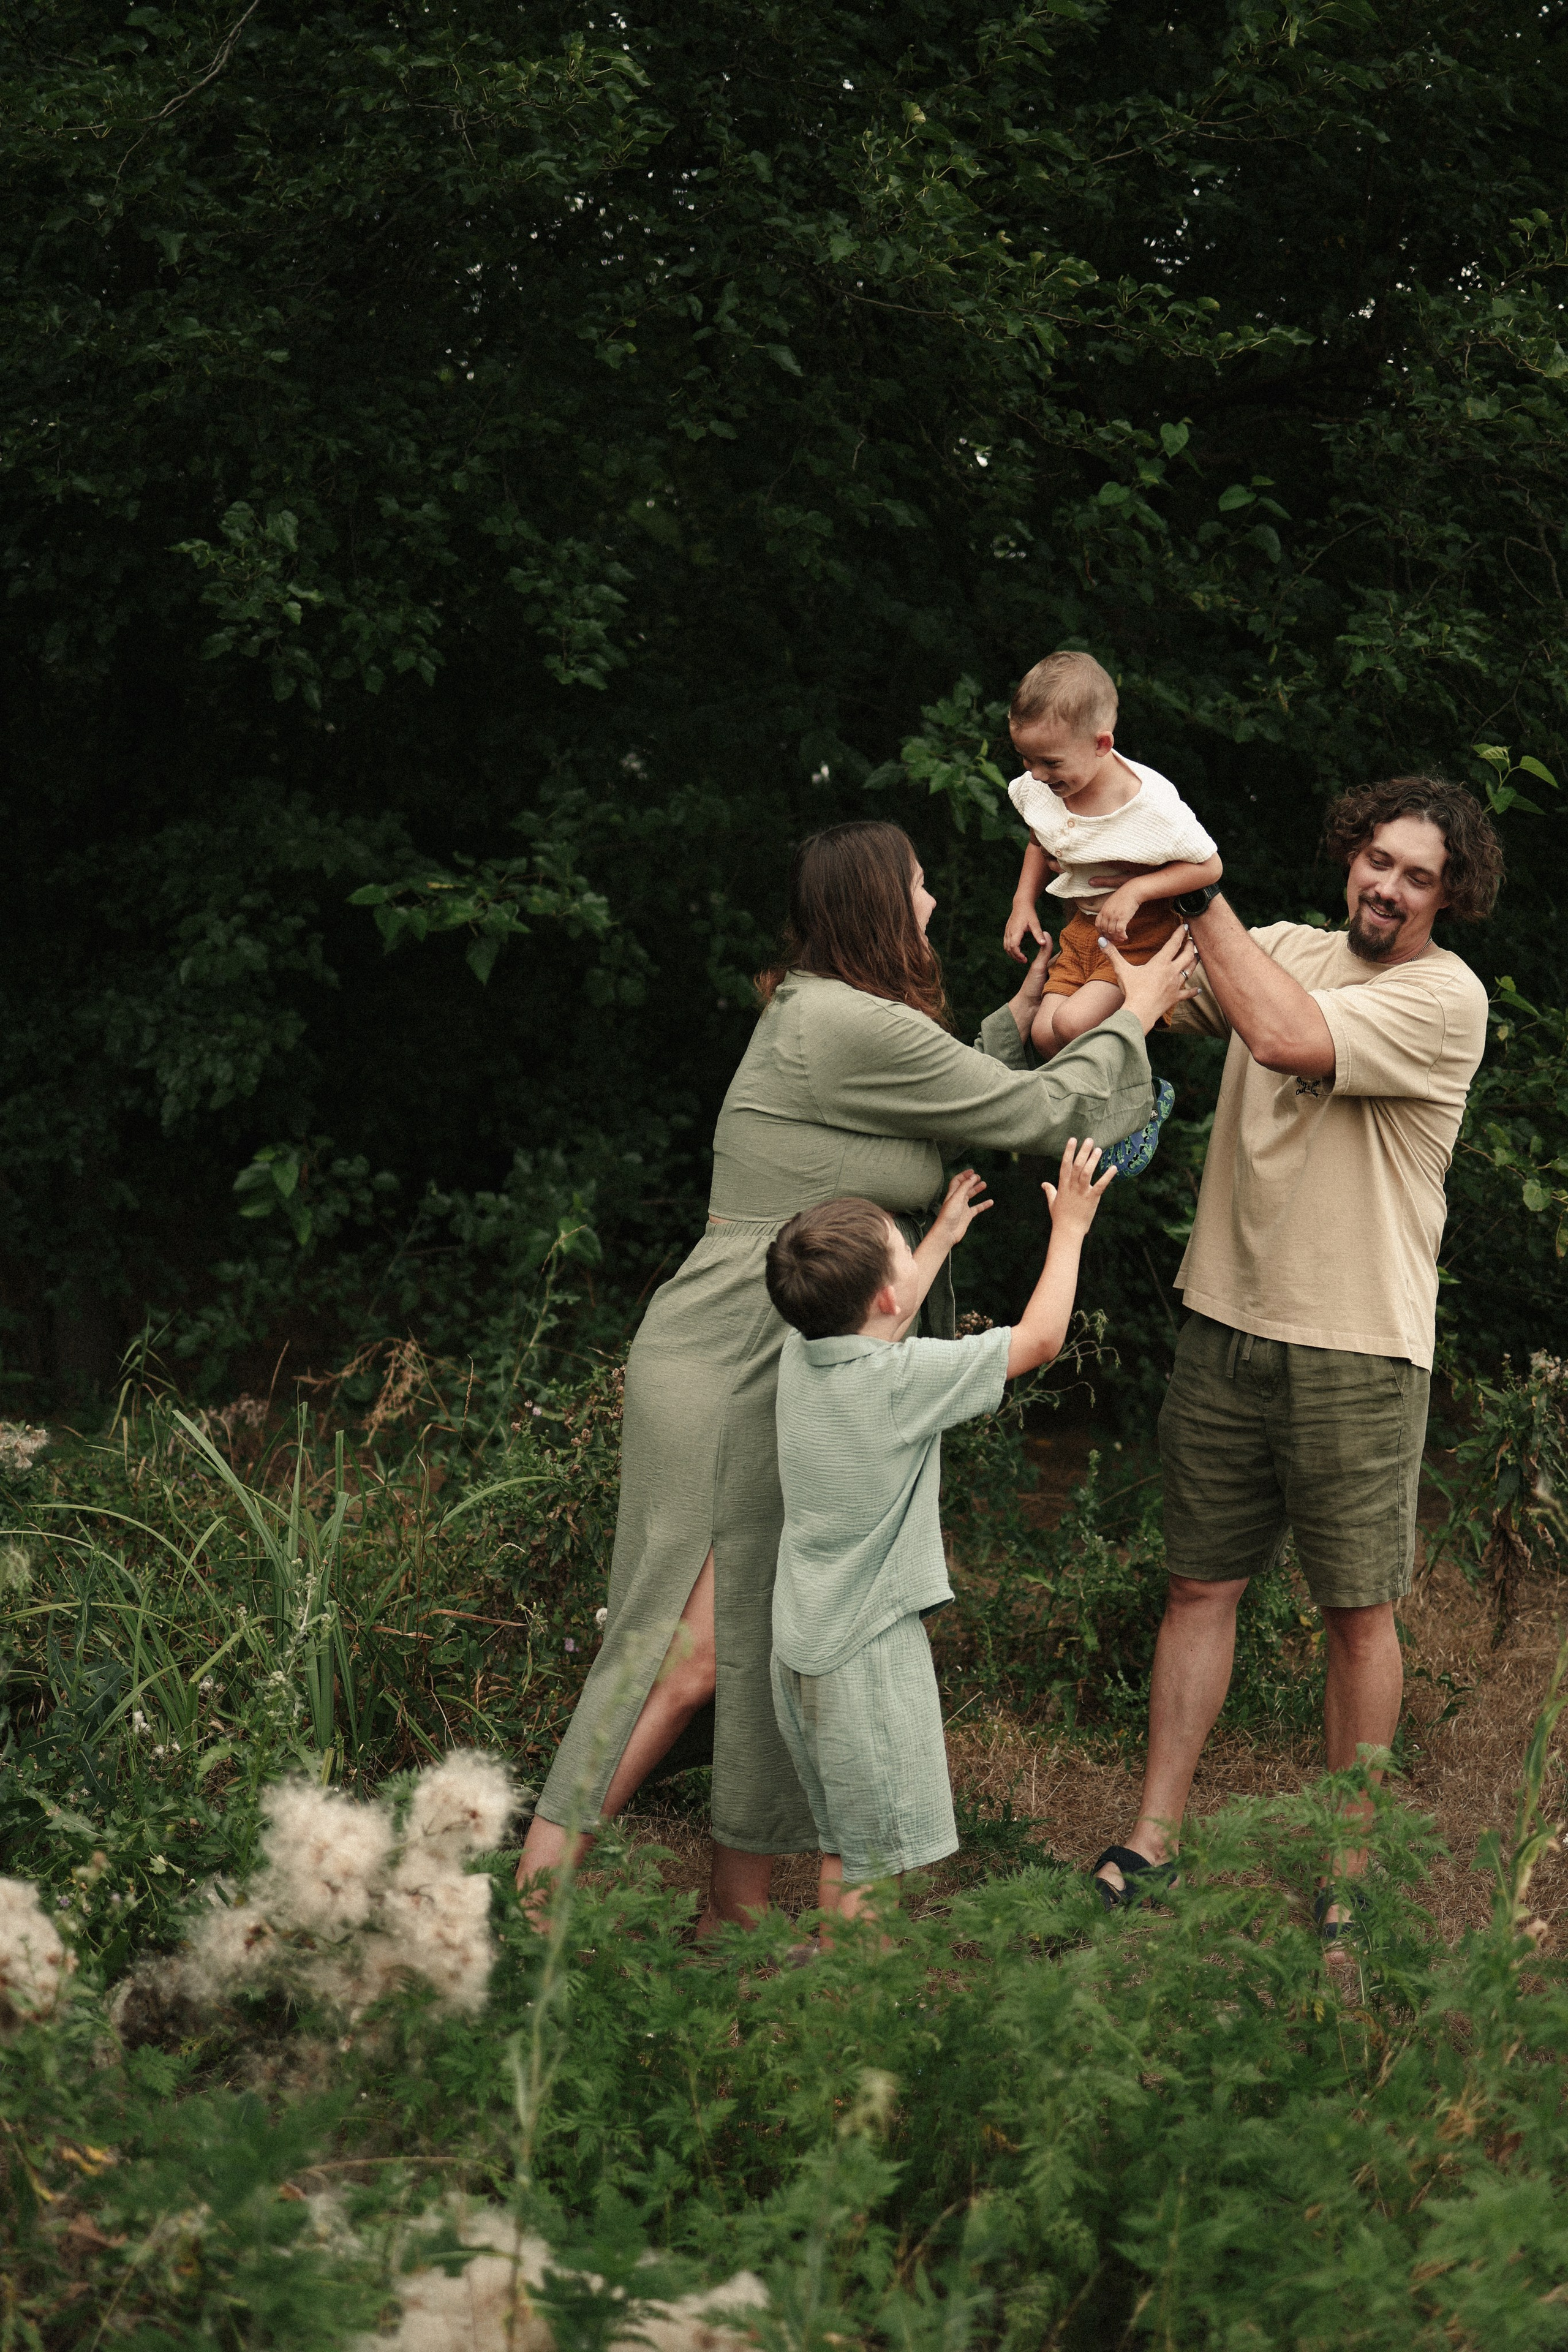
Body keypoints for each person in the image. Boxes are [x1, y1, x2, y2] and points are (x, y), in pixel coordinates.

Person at [516, 819, 1196, 1935]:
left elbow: (966, 1084)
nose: (932, 904)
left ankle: (733, 1917)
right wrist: (1134, 1014)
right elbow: (1033, 1111)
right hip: (730, 1354)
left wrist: (1028, 1007)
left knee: (761, 1639)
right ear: (880, 906)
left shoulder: (842, 1017)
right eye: (919, 887)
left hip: (782, 1349)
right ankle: (531, 1906)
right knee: (681, 1650)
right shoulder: (841, 1022)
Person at [1088, 777, 1502, 1936]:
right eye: (1379, 860)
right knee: (1197, 1586)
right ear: (1349, 855)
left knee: (1357, 1614)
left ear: (1450, 895)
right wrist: (1100, 864)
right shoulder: (1279, 946)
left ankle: (1346, 1871)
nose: (1390, 887)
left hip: (1357, 1344)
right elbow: (1138, 982)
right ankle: (1153, 1838)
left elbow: (1281, 1037)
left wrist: (1198, 886)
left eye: (1420, 876)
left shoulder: (1445, 997)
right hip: (1225, 1320)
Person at [766, 1142, 1116, 1926]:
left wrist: (939, 1237)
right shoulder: (897, 1383)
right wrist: (1070, 1228)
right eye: (901, 1249)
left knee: (848, 1846)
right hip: (866, 1654)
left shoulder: (800, 1357)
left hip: (801, 1645)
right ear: (890, 1297)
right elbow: (1039, 1341)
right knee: (873, 1866)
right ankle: (861, 1995)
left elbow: (878, 1315)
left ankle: (830, 1979)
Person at [1002, 652, 1223, 1093]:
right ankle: (1101, 1105)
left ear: (1101, 745)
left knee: (1071, 1024)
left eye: (1050, 763)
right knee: (1044, 1034)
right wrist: (1023, 901)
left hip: (1140, 937)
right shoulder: (1045, 788)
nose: (1038, 775)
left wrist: (1137, 890)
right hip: (1083, 931)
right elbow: (1037, 840)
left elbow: (1208, 865)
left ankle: (1139, 1099)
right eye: (1026, 760)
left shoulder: (1148, 805)